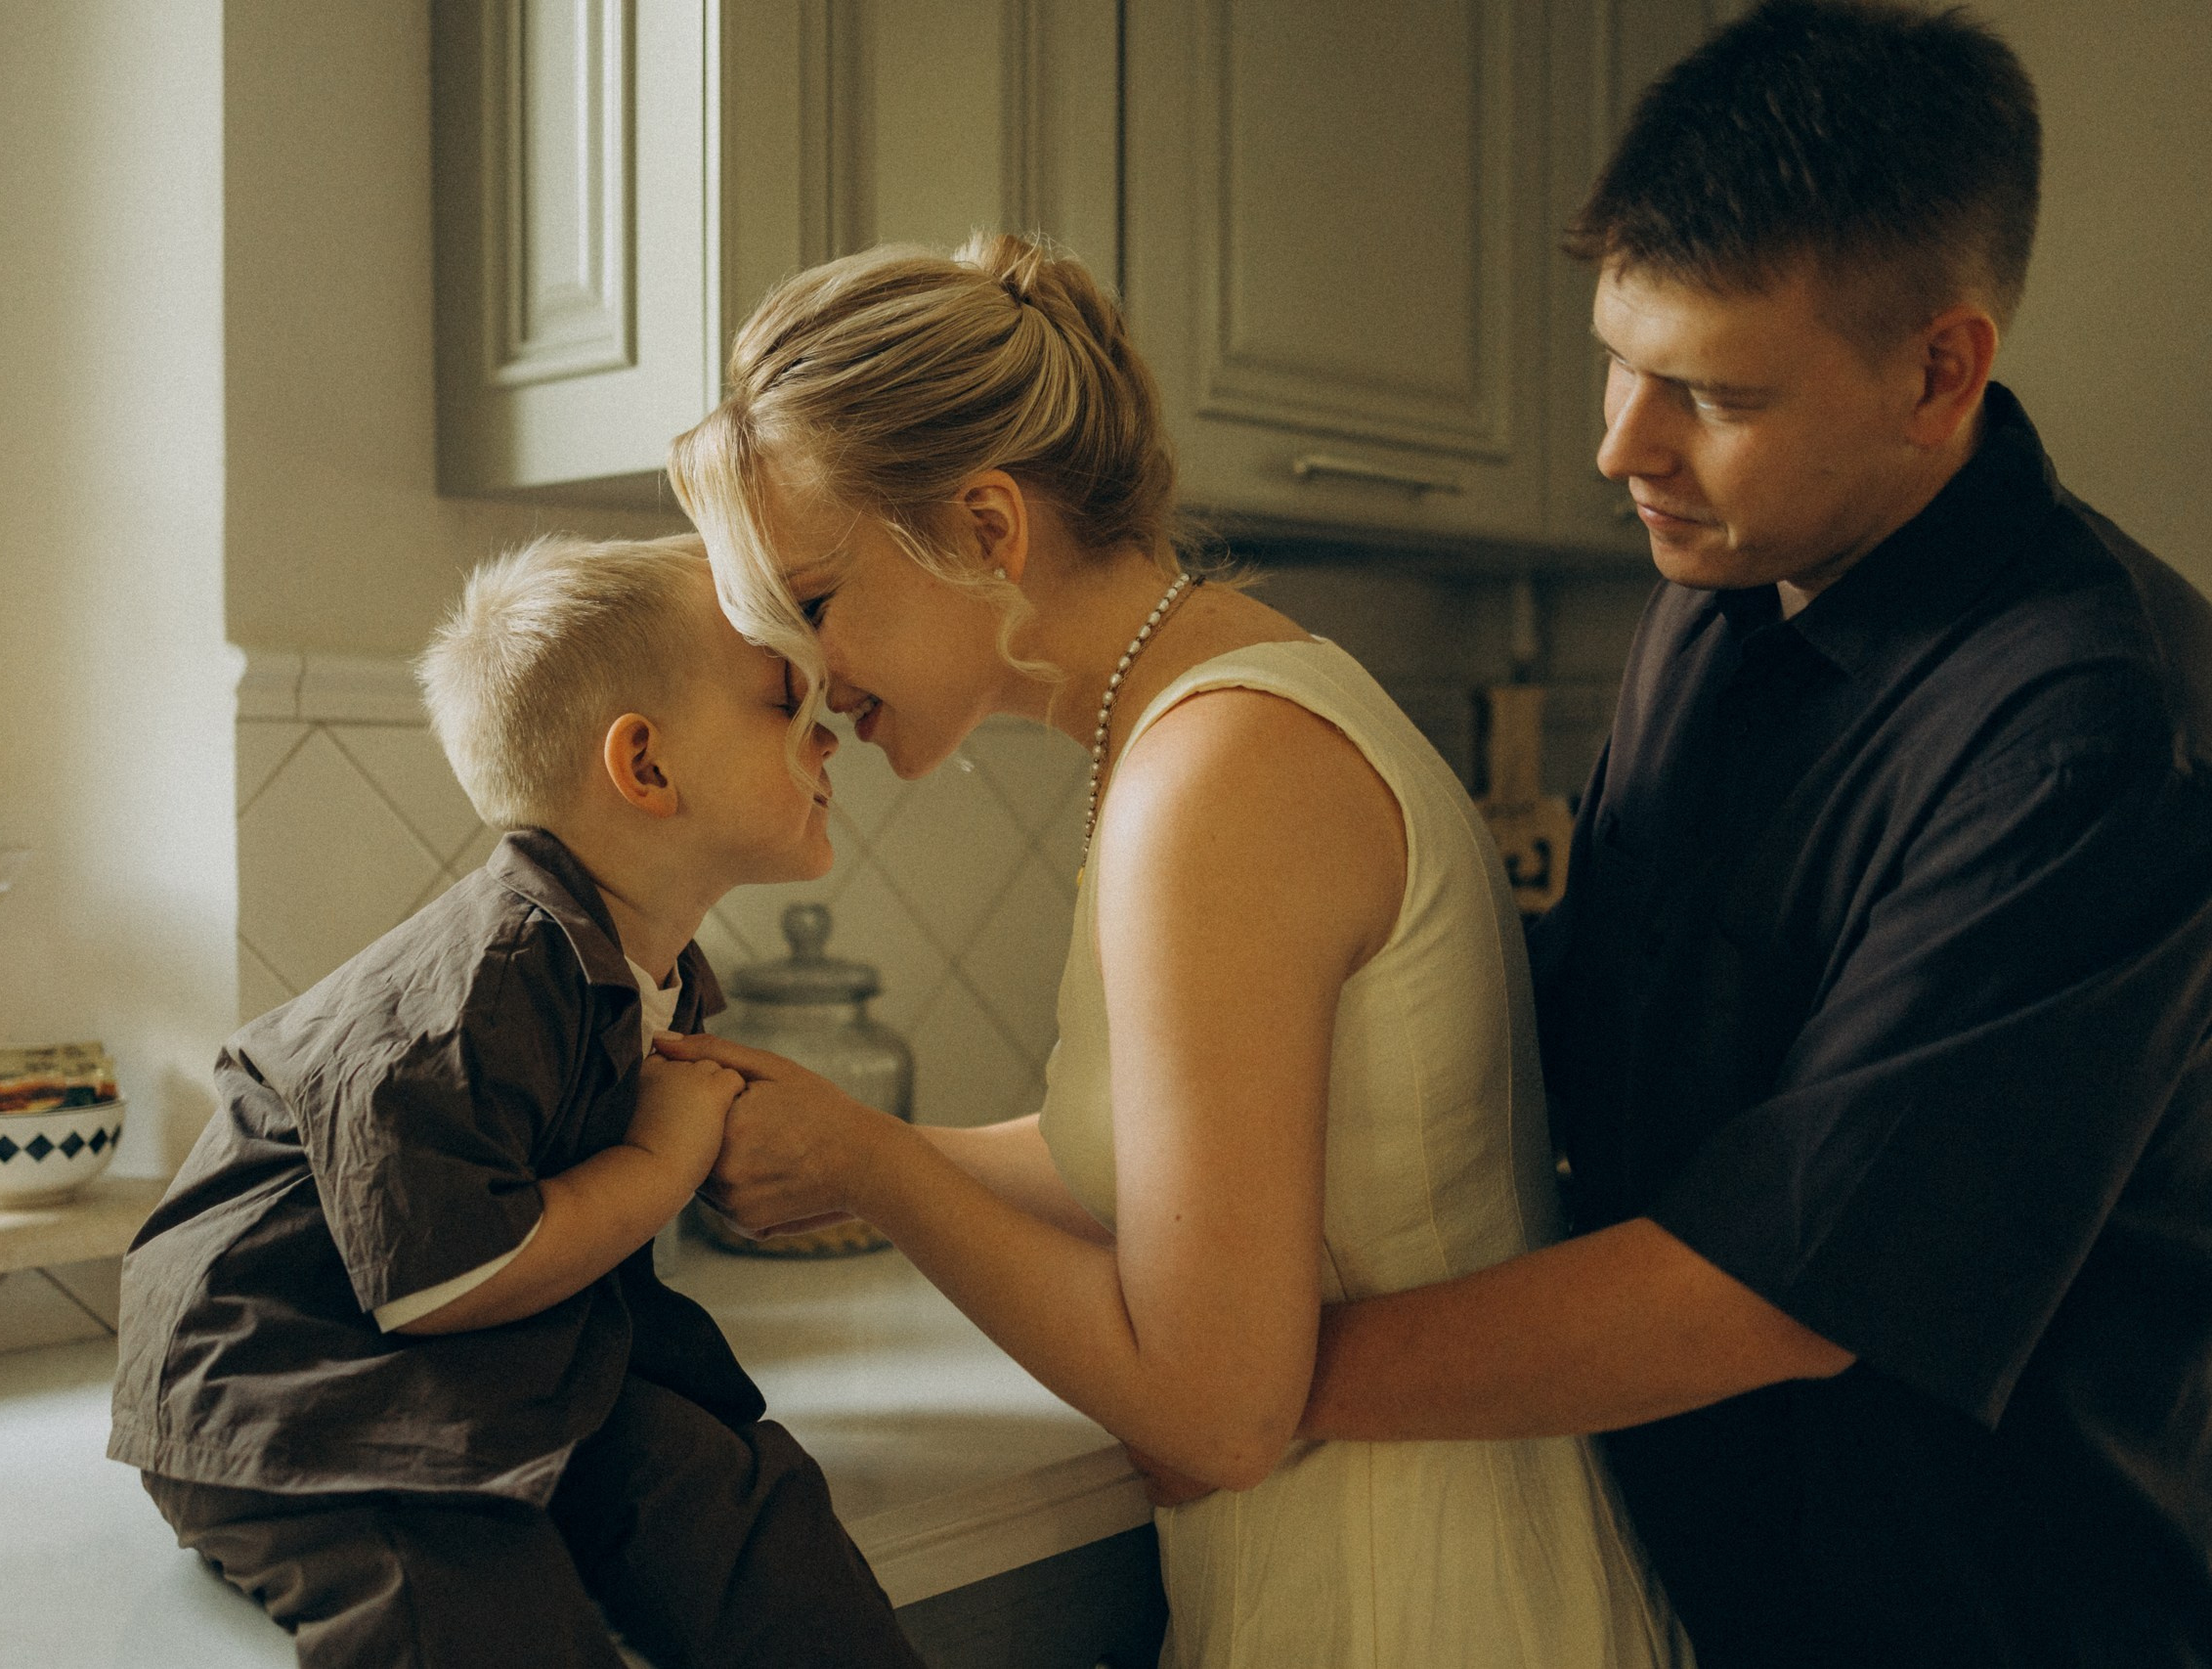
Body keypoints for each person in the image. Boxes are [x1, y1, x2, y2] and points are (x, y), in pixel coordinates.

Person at [1236, 4, 2212, 1665]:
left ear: (1940, 370)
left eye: (1708, 389)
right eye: (1622, 354)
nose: (1622, 444)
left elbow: (1776, 1287)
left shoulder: (2096, 731)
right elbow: (1596, 1005)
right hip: (1708, 1585)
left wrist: (1239, 1380)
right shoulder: (1724, 582)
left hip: (1998, 1619)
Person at [660, 234, 1690, 1665]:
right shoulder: (1215, 716)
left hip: (1399, 1604)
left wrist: (873, 1166)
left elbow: (1217, 1406)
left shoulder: (1215, 774)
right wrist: (828, 1128)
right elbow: (1172, 1158)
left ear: (985, 527)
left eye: (816, 601)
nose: (810, 681)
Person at [108, 536, 921, 1669]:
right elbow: (443, 1280)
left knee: (736, 1495)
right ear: (645, 769)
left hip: (506, 1363)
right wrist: (660, 1164)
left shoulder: (648, 964)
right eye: (786, 702)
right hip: (302, 1393)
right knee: (466, 1606)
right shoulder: (480, 983)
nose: (826, 732)